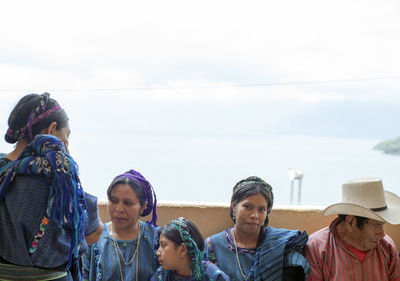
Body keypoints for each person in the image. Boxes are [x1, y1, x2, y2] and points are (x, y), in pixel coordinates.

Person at [0, 93, 103, 280]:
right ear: (52, 129)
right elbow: (93, 231)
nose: (67, 142)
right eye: (67, 135)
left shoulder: (3, 171)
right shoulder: (57, 175)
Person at [204, 176, 310, 281]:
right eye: (248, 207)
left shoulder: (279, 246)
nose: (255, 215)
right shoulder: (213, 246)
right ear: (234, 205)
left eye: (261, 210)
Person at [304, 177, 400, 281]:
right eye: (376, 226)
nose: (382, 234)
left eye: (382, 225)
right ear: (351, 222)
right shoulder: (316, 248)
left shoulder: (387, 246)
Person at [83, 169, 159, 281]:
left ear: (143, 207)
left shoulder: (157, 239)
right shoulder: (95, 238)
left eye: (128, 203)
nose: (119, 209)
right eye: (113, 201)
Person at [151, 217, 229, 281]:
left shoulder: (214, 276)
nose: (158, 252)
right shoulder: (161, 276)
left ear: (183, 250)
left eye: (163, 245)